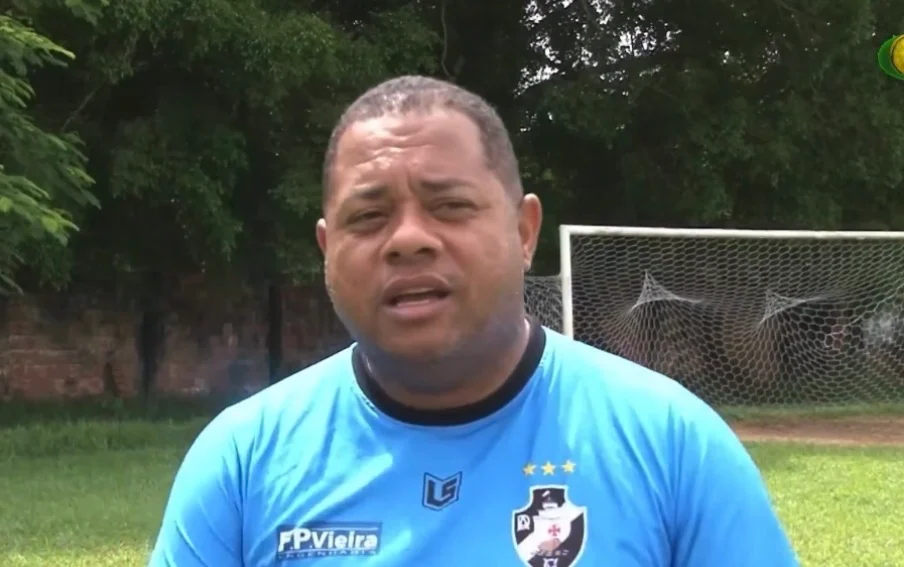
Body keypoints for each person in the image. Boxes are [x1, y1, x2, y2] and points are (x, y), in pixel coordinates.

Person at [148, 75, 799, 566]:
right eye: (368, 217)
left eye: (450, 206)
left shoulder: (672, 443)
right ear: (327, 250)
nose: (408, 239)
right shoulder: (242, 462)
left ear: (524, 231)